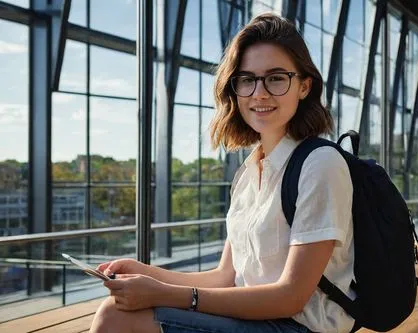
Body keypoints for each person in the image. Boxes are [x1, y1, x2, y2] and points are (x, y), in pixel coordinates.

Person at [90, 13, 355, 333]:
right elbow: (226, 277)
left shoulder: (320, 164)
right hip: (254, 319)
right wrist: (146, 273)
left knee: (115, 317)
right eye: (247, 79)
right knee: (116, 311)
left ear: (304, 86)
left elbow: (290, 298)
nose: (259, 93)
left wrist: (163, 294)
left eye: (276, 78)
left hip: (297, 327)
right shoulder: (249, 173)